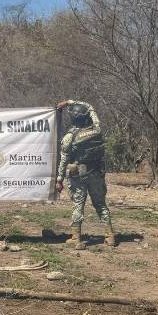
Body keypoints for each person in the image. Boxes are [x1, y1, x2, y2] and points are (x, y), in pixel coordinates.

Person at [55, 100, 116, 248]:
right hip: (96, 172)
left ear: (74, 118)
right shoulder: (97, 129)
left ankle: (76, 237)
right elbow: (90, 107)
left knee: (78, 205)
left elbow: (64, 160)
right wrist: (70, 101)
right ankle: (110, 236)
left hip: (79, 173)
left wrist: (59, 179)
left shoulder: (70, 137)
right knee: (101, 204)